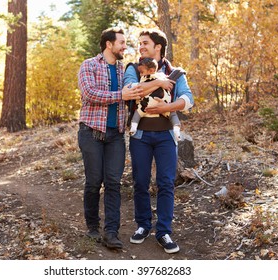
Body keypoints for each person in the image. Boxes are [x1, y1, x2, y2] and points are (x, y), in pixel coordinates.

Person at [123, 29, 194, 254]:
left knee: (165, 183)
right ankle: (143, 225)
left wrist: (166, 107)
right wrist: (159, 82)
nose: (141, 47)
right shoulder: (133, 68)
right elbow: (132, 91)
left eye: (145, 43)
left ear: (158, 47)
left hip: (166, 136)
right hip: (140, 136)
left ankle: (163, 231)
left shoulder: (175, 72)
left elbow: (187, 99)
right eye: (139, 43)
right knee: (141, 182)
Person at [77, 27, 141, 249]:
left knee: (113, 183)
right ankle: (93, 227)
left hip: (116, 135)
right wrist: (120, 96)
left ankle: (111, 232)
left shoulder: (125, 70)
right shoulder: (89, 65)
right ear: (108, 44)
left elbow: (134, 94)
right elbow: (89, 94)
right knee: (94, 182)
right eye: (121, 42)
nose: (125, 46)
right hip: (91, 132)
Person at [129, 57, 182, 142]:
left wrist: (167, 107)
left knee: (138, 112)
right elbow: (134, 90)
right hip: (146, 106)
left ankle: (176, 129)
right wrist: (160, 83)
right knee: (172, 114)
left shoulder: (156, 77)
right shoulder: (162, 78)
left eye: (142, 72)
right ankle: (176, 128)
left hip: (157, 107)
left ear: (151, 70)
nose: (140, 75)